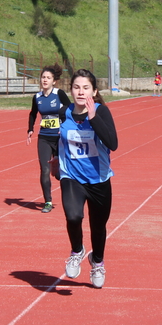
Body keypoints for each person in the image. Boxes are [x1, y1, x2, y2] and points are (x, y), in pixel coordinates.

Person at [54, 69, 118, 288]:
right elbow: (56, 138)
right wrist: (54, 158)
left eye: (85, 87)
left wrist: (93, 118)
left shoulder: (102, 112)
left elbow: (113, 143)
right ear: (70, 89)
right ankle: (77, 250)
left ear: (94, 91)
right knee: (73, 216)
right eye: (76, 87)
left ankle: (97, 262)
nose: (80, 92)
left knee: (98, 226)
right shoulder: (63, 113)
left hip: (99, 179)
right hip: (71, 177)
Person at [27, 64, 71, 213]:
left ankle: (70, 194)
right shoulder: (37, 97)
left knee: (60, 172)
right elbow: (33, 113)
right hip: (44, 137)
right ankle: (47, 201)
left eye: (48, 78)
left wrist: (64, 124)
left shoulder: (59, 94)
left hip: (59, 137)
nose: (45, 80)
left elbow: (70, 108)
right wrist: (30, 129)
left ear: (54, 81)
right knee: (44, 170)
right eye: (43, 77)